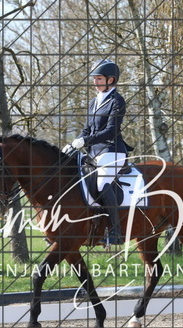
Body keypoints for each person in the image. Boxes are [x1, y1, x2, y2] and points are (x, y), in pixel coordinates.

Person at [65, 59, 133, 244]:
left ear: (111, 80)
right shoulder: (94, 102)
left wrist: (85, 141)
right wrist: (73, 143)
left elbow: (111, 130)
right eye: (94, 78)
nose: (95, 82)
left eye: (99, 78)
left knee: (103, 184)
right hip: (93, 153)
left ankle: (115, 231)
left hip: (112, 151)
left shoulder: (117, 101)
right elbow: (87, 129)